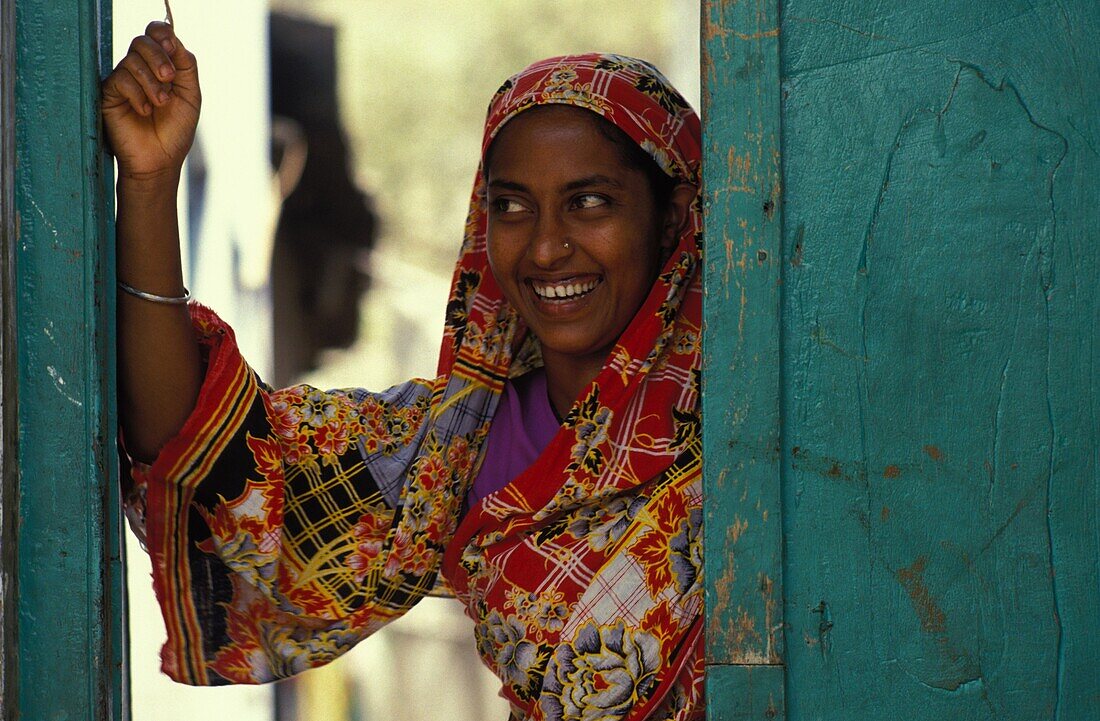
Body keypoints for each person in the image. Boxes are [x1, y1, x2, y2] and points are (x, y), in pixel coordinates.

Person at [103, 20, 704, 721]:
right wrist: (148, 184)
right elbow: (207, 454)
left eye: (589, 202)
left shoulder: (746, 426)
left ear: (673, 216)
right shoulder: (454, 448)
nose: (545, 247)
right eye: (511, 206)